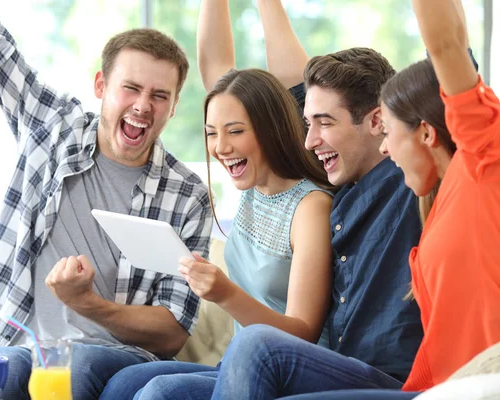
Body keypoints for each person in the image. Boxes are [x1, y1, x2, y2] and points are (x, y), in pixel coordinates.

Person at [102, 0, 424, 399]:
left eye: (324, 123)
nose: (311, 137)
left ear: (378, 122)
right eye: (308, 122)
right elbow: (228, 80)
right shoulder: (330, 167)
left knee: (250, 348)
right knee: (129, 382)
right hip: (332, 363)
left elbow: (451, 72)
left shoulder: (409, 176)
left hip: (379, 371)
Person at [0, 0, 214, 399]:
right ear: (100, 86)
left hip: (114, 355)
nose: (143, 105)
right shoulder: (52, 126)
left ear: (174, 106)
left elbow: (172, 331)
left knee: (73, 366)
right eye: (131, 88)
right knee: (2, 371)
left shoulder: (186, 194)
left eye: (160, 95)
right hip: (17, 340)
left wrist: (87, 303)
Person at [266, 0, 500, 398]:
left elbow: (448, 44)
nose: (387, 149)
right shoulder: (428, 201)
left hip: (463, 385)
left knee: (262, 350)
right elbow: (294, 83)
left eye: (390, 132)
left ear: (424, 133)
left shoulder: (476, 162)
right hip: (429, 386)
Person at [101, 66, 336, 399]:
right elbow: (217, 68)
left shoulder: (310, 206)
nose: (221, 147)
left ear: (272, 129)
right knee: (124, 382)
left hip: (286, 373)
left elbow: (302, 334)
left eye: (236, 131)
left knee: (161, 392)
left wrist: (224, 293)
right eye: (212, 133)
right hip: (236, 364)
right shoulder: (253, 190)